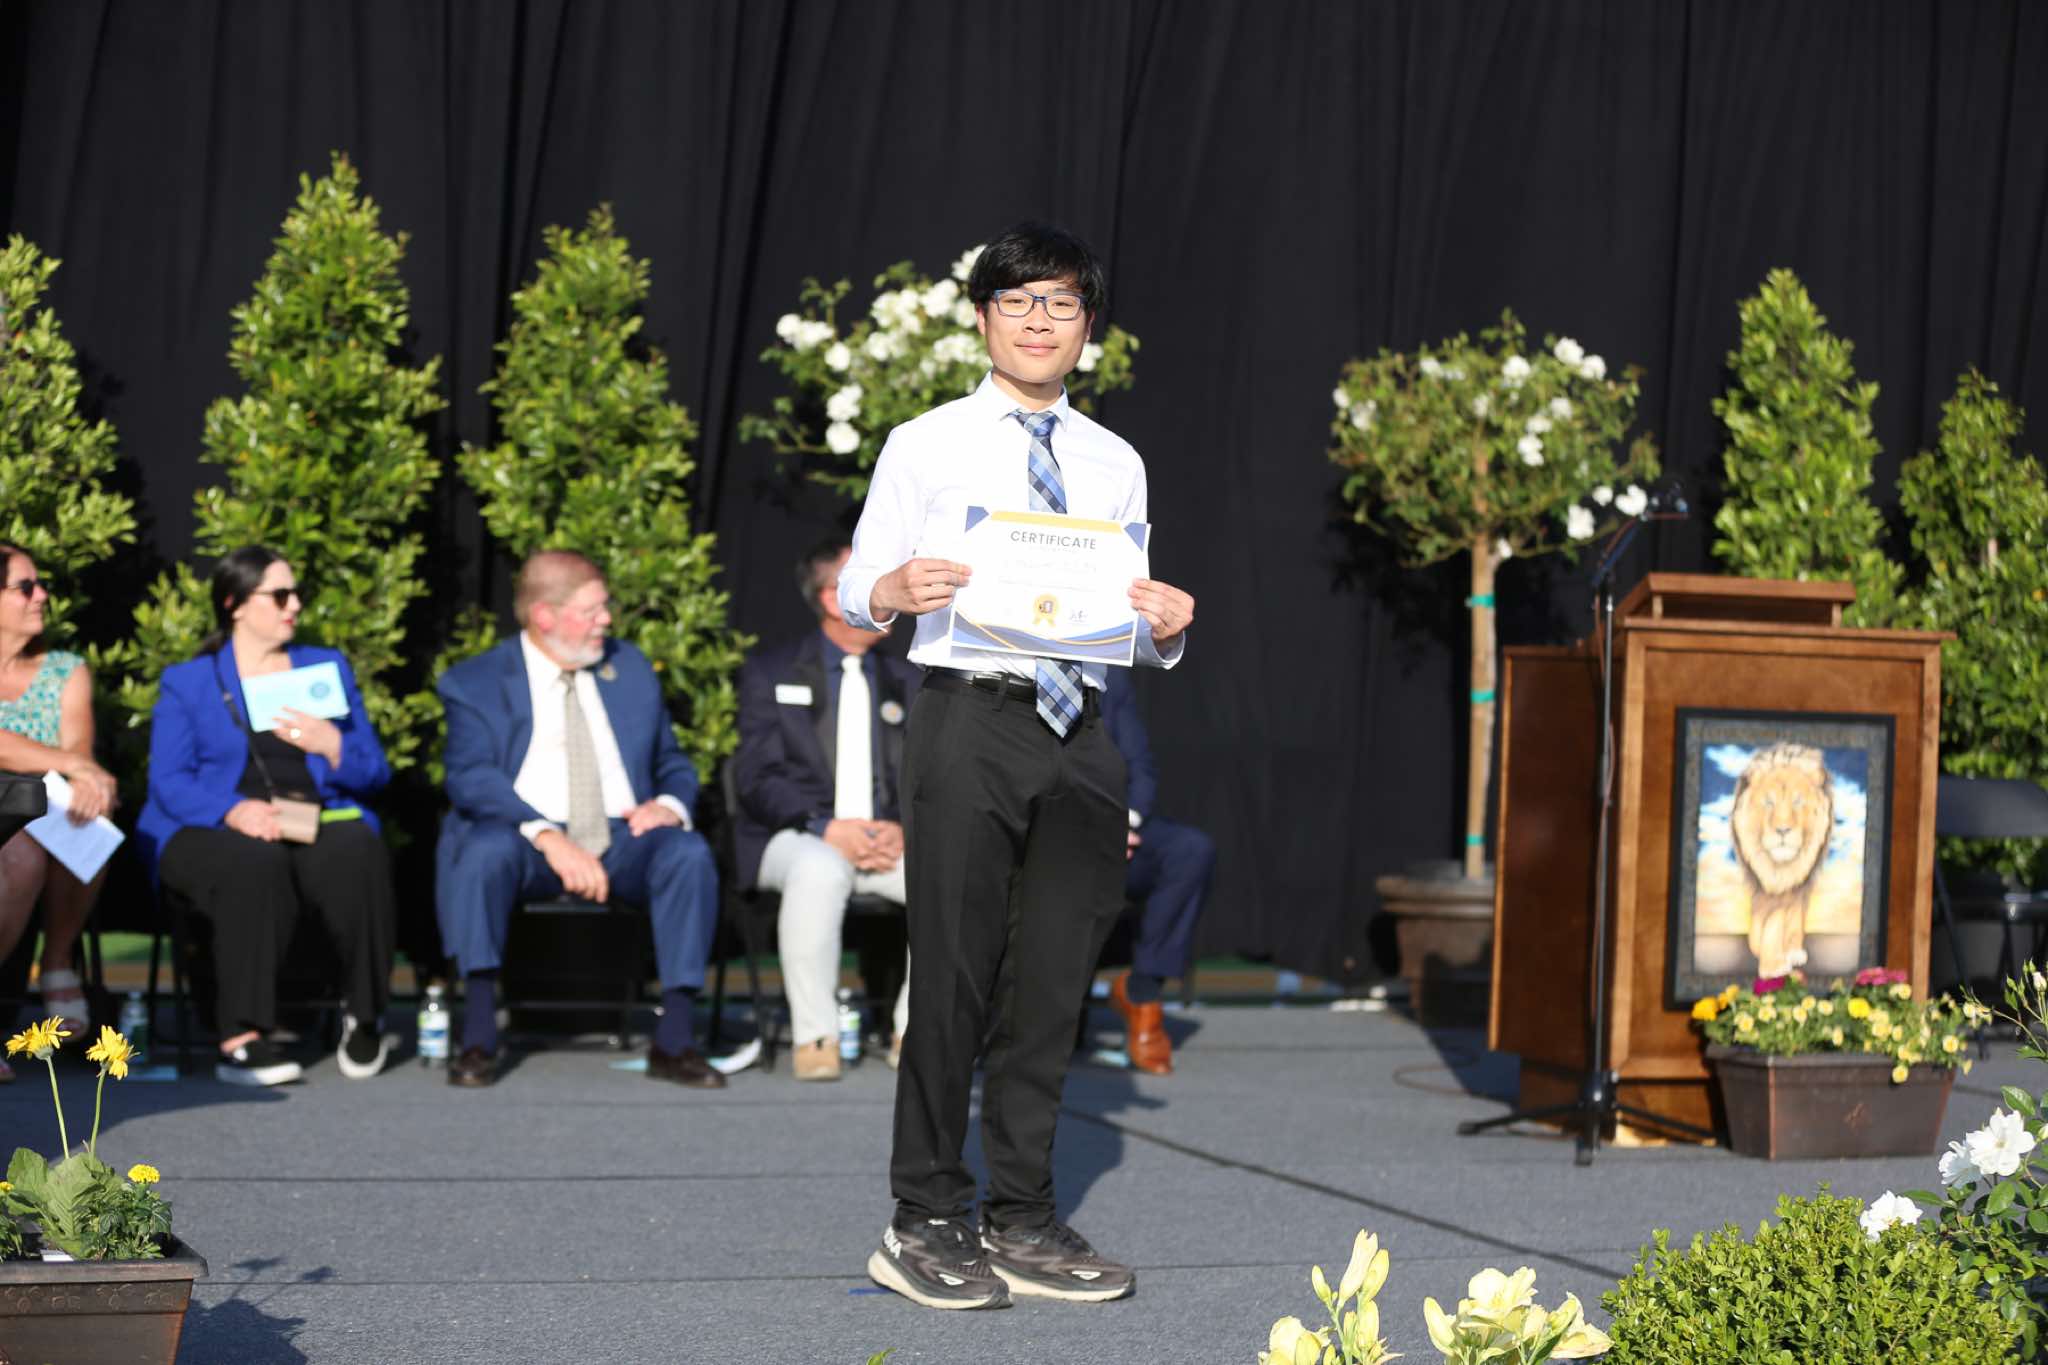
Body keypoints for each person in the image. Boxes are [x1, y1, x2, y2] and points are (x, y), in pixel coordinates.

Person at [839, 223, 1195, 1310]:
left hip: (1080, 726)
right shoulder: (925, 442)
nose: (1039, 321)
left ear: (1088, 327)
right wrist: (892, 588)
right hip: (969, 717)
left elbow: (1119, 625)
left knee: (1049, 987)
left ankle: (1022, 1215)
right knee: (951, 974)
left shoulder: (1115, 461)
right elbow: (859, 587)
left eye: (1061, 303)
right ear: (982, 318)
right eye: (1018, 301)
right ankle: (923, 1214)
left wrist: (1166, 628)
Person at [435, 550, 721, 1089]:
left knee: (687, 854)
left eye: (604, 608)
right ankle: (478, 1035)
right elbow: (471, 779)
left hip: (622, 833)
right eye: (591, 610)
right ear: (544, 616)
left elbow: (672, 762)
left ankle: (676, 1039)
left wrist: (668, 804)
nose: (605, 620)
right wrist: (548, 836)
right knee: (481, 853)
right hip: (524, 835)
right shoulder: (475, 682)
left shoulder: (629, 667)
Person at [139, 546, 397, 1086]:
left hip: (313, 817)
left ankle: (363, 1015)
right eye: (280, 595)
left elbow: (374, 772)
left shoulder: (324, 669)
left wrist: (333, 746)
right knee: (253, 862)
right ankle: (241, 1036)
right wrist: (233, 810)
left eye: (296, 593)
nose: (294, 605)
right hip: (216, 825)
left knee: (358, 850)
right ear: (234, 604)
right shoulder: (190, 681)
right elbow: (169, 781)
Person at [732, 536, 918, 1081]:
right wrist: (823, 826)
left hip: (886, 843)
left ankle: (917, 1036)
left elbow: (929, 773)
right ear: (835, 599)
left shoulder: (910, 678)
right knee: (818, 868)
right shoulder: (772, 671)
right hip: (795, 836)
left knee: (951, 874)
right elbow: (755, 777)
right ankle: (816, 1036)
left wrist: (904, 828)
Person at [0, 544, 117, 1082]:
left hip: (43, 806)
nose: (41, 595)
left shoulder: (65, 670)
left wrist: (88, 777)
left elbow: (79, 749)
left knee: (89, 812)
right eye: (25, 586)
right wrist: (72, 764)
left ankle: (57, 960)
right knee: (20, 849)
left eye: (40, 584)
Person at [1099, 669, 1216, 1075]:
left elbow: (1141, 766)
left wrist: (1127, 822)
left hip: (1118, 831)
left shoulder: (1110, 677)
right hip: (1054, 830)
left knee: (1189, 850)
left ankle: (1142, 993)